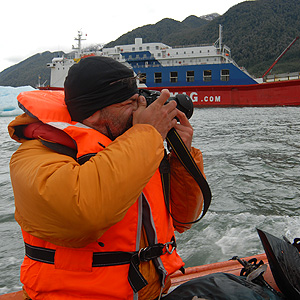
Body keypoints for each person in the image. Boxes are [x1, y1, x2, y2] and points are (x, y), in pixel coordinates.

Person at [8, 56, 205, 300]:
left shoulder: (137, 146)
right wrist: (147, 134)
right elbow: (83, 215)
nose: (139, 110)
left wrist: (180, 157)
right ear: (93, 113)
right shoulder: (34, 156)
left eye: (140, 100)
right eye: (131, 102)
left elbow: (184, 219)